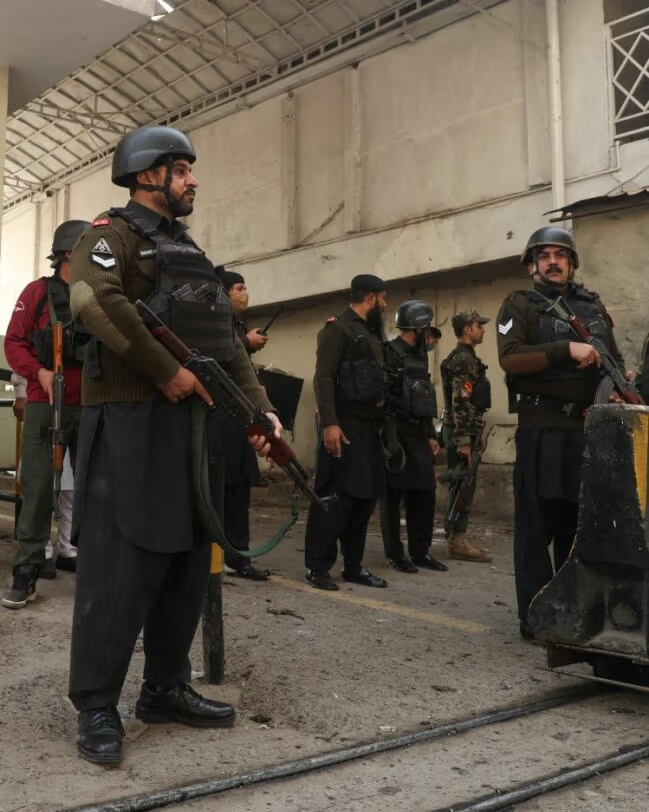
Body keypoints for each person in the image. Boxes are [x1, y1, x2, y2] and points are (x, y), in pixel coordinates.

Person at [67, 124, 280, 765]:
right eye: (181, 169)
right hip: (130, 421)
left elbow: (226, 343)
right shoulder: (108, 237)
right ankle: (96, 705)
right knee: (122, 564)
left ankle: (164, 688)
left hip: (193, 426)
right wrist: (166, 371)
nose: (193, 180)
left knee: (187, 559)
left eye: (190, 170)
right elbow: (94, 300)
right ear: (146, 174)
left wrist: (261, 412)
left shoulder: (190, 253)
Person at [496, 226, 627, 640]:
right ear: (532, 266)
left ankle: (575, 611)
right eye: (544, 255)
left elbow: (615, 361)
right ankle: (536, 616)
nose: (553, 262)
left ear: (571, 263)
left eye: (560, 255)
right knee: (537, 529)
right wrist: (565, 350)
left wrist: (619, 389)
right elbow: (511, 358)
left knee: (579, 529)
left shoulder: (592, 306)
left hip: (587, 433)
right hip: (542, 430)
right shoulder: (520, 304)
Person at [2, 220, 90, 609]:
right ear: (69, 253)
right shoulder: (37, 293)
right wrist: (37, 372)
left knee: (95, 490)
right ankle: (27, 569)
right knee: (38, 490)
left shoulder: (99, 296)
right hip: (44, 402)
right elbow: (14, 342)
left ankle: (95, 563)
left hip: (91, 405)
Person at [304, 274, 389, 591]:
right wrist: (330, 423)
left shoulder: (370, 333)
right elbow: (323, 378)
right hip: (344, 422)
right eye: (383, 298)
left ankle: (353, 565)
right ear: (371, 298)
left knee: (364, 499)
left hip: (370, 426)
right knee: (335, 498)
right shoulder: (337, 329)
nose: (385, 305)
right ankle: (317, 567)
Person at [380, 300, 447, 574]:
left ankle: (421, 552)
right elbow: (383, 396)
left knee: (424, 495)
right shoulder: (390, 352)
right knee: (393, 497)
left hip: (419, 434)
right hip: (396, 433)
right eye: (426, 327)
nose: (429, 333)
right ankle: (395, 554)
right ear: (417, 327)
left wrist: (430, 434)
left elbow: (424, 397)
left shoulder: (420, 357)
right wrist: (389, 436)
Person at [213, 269, 267, 581]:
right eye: (238, 288)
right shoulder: (214, 324)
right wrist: (245, 342)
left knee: (239, 488)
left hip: (239, 419)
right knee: (220, 488)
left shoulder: (235, 326)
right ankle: (215, 556)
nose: (244, 293)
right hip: (219, 418)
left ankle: (237, 555)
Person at [9, 373, 76, 580]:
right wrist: (20, 393)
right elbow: (25, 358)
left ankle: (68, 549)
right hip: (42, 399)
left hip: (75, 401)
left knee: (71, 483)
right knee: (40, 484)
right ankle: (42, 551)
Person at [440, 310, 493, 563]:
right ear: (467, 329)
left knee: (463, 483)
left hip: (466, 429)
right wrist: (463, 441)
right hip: (462, 431)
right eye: (478, 326)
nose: (482, 330)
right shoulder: (463, 359)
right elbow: (461, 401)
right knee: (463, 484)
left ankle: (456, 537)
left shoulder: (465, 356)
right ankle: (457, 541)